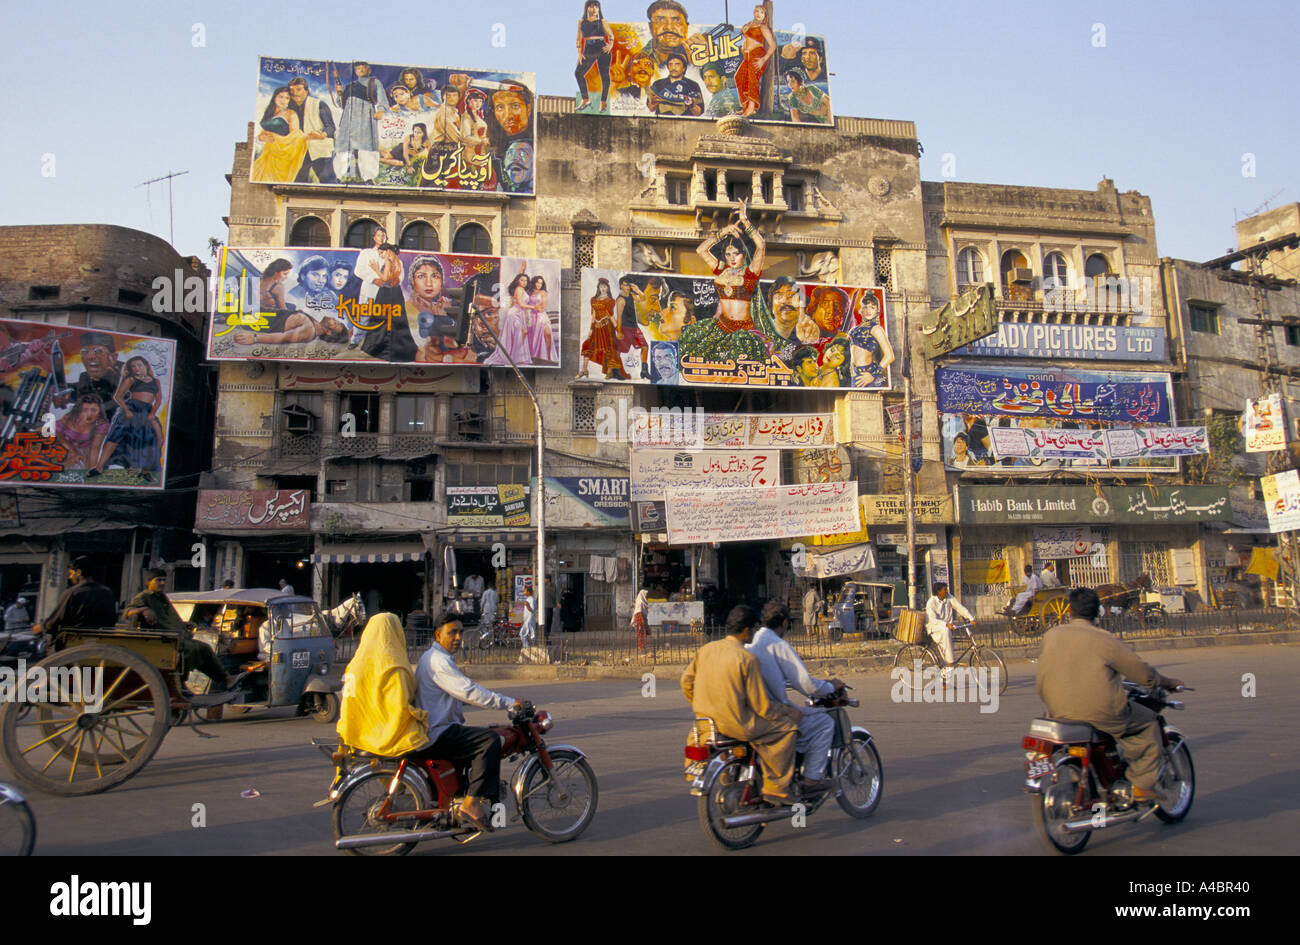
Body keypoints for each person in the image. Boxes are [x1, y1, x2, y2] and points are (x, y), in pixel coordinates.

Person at [1036, 588, 1184, 803]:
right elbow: (1142, 673)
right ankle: (1141, 785)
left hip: (1055, 710)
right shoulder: (1104, 639)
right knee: (1149, 724)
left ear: (1069, 610)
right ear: (1098, 612)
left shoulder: (1051, 635)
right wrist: (1166, 682)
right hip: (1100, 712)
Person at [680, 605, 803, 806]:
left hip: (706, 724)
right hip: (737, 725)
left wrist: (700, 704)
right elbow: (762, 706)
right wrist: (788, 711)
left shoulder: (706, 650)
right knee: (788, 729)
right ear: (747, 630)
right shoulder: (747, 659)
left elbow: (686, 682)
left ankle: (733, 776)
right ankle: (777, 788)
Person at [415, 612, 524, 829]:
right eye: (452, 632)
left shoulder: (438, 658)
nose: (457, 637)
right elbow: (469, 691)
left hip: (440, 727)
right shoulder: (438, 661)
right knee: (489, 740)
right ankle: (471, 802)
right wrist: (508, 703)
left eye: (460, 632)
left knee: (483, 736)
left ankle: (470, 801)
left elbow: (458, 693)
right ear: (438, 634)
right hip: (439, 732)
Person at [746, 602, 842, 791]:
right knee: (824, 723)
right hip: (775, 711)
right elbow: (807, 685)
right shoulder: (778, 644)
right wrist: (830, 685)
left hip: (755, 710)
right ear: (783, 623)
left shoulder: (754, 642)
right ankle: (812, 780)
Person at [680, 200, 768, 366]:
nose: (732, 258)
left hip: (744, 330)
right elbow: (701, 250)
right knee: (690, 344)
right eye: (728, 254)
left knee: (741, 358)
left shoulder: (750, 274)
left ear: (743, 254)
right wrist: (724, 231)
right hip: (721, 327)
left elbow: (761, 245)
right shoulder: (721, 270)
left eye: (736, 254)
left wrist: (745, 221)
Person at [124, 569, 240, 690]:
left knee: (204, 648)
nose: (162, 583)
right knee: (190, 651)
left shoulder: (162, 597)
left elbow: (170, 619)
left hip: (176, 637)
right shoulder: (143, 597)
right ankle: (179, 684)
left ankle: (226, 679)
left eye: (164, 580)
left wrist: (185, 625)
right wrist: (143, 609)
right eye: (158, 580)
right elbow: (128, 612)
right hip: (162, 641)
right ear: (149, 582)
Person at [338, 613, 431, 757]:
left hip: (352, 733)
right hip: (387, 736)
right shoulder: (394, 665)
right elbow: (400, 707)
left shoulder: (354, 664)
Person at [88, 355, 164, 482]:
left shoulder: (155, 381)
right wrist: (126, 410)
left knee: (156, 439)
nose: (137, 368)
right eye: (133, 367)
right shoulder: (131, 379)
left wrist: (152, 413)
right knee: (115, 437)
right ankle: (99, 468)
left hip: (146, 411)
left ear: (145, 365)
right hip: (131, 408)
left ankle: (145, 471)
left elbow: (158, 399)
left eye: (139, 365)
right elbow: (117, 396)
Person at [33, 557, 116, 637]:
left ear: (79, 572)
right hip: (102, 639)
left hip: (76, 641)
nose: (70, 577)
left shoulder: (72, 593)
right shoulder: (107, 592)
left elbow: (54, 622)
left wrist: (40, 627)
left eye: (71, 573)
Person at [333, 62, 388, 183]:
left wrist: (381, 109)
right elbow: (341, 104)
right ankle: (338, 176)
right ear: (355, 71)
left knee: (367, 146)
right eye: (358, 68)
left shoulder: (374, 82)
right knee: (344, 145)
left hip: (365, 116)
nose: (360, 70)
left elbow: (382, 97)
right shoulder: (350, 86)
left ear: (368, 70)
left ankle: (369, 177)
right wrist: (339, 93)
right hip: (349, 117)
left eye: (363, 68)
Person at [287, 76, 337, 184]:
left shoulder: (319, 104)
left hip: (318, 149)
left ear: (306, 90)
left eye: (299, 89)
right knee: (296, 184)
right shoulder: (288, 108)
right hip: (299, 151)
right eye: (292, 90)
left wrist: (322, 134)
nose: (295, 93)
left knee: (329, 182)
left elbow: (331, 127)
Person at [252, 86, 309, 183]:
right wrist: (261, 138)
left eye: (287, 98)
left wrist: (275, 138)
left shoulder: (291, 114)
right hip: (266, 155)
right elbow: (261, 134)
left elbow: (296, 136)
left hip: (281, 157)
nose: (284, 100)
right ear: (275, 97)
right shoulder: (269, 113)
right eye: (281, 97)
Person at [924, 582, 975, 681]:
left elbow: (959, 607)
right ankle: (950, 662)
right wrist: (946, 624)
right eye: (944, 589)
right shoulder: (931, 602)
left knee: (947, 642)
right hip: (935, 627)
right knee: (946, 635)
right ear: (938, 592)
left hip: (946, 629)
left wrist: (971, 618)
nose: (947, 591)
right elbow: (932, 619)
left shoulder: (949, 597)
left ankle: (946, 673)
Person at [578, 278, 624, 379]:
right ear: (598, 288)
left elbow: (611, 316)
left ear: (608, 288)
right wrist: (591, 328)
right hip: (596, 328)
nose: (603, 288)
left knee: (609, 347)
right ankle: (584, 369)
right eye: (601, 286)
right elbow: (593, 315)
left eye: (605, 286)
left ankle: (609, 371)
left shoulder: (610, 301)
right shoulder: (593, 300)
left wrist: (618, 330)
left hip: (607, 327)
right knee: (588, 345)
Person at [848, 290, 895, 388]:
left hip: (869, 375)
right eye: (866, 307)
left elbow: (890, 356)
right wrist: (852, 371)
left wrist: (873, 375)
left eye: (872, 307)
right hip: (856, 376)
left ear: (877, 310)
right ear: (861, 309)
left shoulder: (876, 328)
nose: (868, 311)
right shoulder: (855, 329)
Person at [735, 4, 776, 116]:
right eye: (757, 11)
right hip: (747, 55)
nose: (759, 14)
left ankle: (751, 108)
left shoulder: (763, 28)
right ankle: (746, 106)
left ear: (765, 16)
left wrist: (763, 59)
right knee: (739, 76)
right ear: (754, 12)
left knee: (753, 78)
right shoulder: (749, 24)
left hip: (758, 54)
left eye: (762, 13)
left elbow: (773, 45)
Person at [575, 1, 615, 111]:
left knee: (604, 75)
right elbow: (578, 39)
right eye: (591, 6)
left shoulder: (602, 21)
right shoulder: (581, 22)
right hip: (588, 49)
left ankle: (603, 102)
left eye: (596, 6)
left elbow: (611, 35)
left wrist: (610, 45)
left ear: (599, 9)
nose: (593, 8)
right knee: (578, 73)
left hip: (601, 48)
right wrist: (579, 53)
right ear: (587, 8)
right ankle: (585, 99)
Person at [54, 394, 110, 471]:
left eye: (94, 410)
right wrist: (72, 451)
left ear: (99, 411)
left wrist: (91, 472)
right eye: (85, 410)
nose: (89, 414)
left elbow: (94, 449)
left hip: (84, 454)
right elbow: (59, 436)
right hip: (61, 448)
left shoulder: (101, 425)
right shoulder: (70, 418)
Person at [649, 52, 703, 117]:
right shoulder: (658, 84)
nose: (673, 68)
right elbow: (650, 108)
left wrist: (691, 104)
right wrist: (654, 102)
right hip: (663, 122)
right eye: (670, 64)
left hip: (686, 123)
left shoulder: (693, 85)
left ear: (684, 68)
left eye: (677, 64)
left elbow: (698, 113)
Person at [631, 586, 651, 650]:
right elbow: (638, 612)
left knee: (642, 633)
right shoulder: (640, 602)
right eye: (646, 595)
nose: (646, 596)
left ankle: (642, 645)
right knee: (641, 633)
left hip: (642, 619)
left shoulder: (643, 601)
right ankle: (641, 646)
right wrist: (642, 622)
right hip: (640, 619)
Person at [519, 587, 537, 651]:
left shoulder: (531, 599)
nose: (524, 592)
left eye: (525, 591)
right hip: (527, 620)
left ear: (528, 592)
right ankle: (527, 647)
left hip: (530, 620)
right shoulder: (528, 599)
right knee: (526, 634)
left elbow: (532, 610)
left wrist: (527, 605)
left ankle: (528, 648)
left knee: (525, 634)